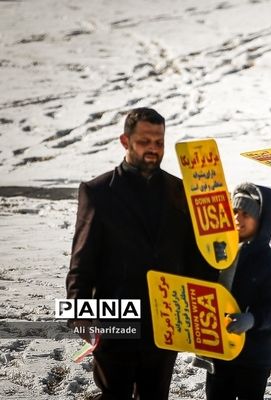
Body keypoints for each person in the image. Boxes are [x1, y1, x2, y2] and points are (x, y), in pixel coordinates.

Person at [66, 107, 216, 399]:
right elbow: (81, 261)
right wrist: (78, 313)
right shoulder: (97, 192)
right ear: (125, 141)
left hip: (167, 318)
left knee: (155, 395)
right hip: (115, 315)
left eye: (159, 142)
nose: (153, 149)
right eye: (145, 141)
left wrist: (207, 307)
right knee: (115, 393)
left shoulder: (180, 190)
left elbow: (194, 257)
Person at [203, 182, 271, 400]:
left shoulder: (270, 264)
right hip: (219, 352)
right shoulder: (217, 253)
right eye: (234, 211)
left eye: (246, 214)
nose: (238, 218)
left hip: (254, 357)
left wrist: (253, 319)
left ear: (261, 221)